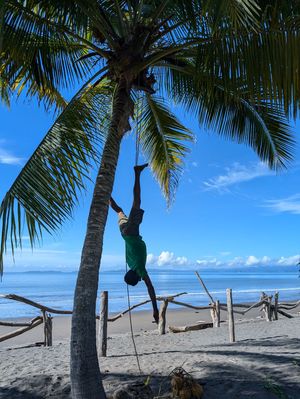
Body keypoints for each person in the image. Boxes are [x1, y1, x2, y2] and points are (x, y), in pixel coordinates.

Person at [110, 163, 159, 324]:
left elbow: (150, 288)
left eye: (138, 280)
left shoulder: (140, 269)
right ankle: (107, 196)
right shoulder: (129, 263)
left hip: (130, 232)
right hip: (123, 231)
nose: (141, 280)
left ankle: (137, 173)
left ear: (137, 276)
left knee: (136, 202)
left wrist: (155, 309)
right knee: (119, 210)